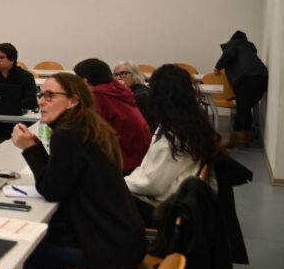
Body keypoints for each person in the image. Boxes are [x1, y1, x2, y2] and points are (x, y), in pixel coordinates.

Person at [11, 73, 146, 269]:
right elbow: (61, 178)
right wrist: (35, 146)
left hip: (109, 246)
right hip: (124, 238)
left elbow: (52, 190)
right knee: (36, 233)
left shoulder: (68, 135)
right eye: (41, 94)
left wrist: (30, 149)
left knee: (25, 250)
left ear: (73, 101)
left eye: (50, 95)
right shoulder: (89, 126)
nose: (41, 101)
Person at [126, 64, 221, 225]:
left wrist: (120, 181)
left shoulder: (173, 136)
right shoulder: (191, 123)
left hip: (161, 207)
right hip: (172, 198)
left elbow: (151, 185)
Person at [73, 58, 150, 173]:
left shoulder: (98, 96)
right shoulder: (118, 90)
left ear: (84, 81)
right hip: (140, 155)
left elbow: (92, 133)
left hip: (124, 161)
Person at [214, 29, 268, 147]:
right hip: (263, 78)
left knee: (242, 108)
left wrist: (218, 67)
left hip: (247, 78)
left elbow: (228, 54)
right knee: (245, 107)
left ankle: (236, 139)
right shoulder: (249, 49)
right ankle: (245, 137)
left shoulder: (234, 43)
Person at [113, 60, 153, 127]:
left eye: (123, 73)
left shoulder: (142, 95)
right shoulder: (117, 93)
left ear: (135, 75)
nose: (118, 77)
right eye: (116, 75)